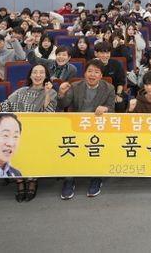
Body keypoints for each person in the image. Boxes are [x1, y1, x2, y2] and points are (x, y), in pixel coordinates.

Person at [0, 64, 57, 202]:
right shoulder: (20, 91)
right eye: (35, 72)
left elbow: (47, 113)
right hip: (17, 131)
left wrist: (47, 93)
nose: (38, 75)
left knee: (34, 144)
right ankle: (19, 181)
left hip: (38, 132)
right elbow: (5, 106)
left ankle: (32, 180)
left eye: (41, 72)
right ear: (30, 75)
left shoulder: (51, 92)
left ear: (46, 76)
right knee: (11, 143)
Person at [57, 59, 115, 199]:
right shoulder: (75, 86)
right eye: (89, 71)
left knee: (97, 148)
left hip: (97, 127)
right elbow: (63, 104)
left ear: (101, 75)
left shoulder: (109, 88)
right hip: (77, 126)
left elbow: (112, 109)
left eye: (96, 72)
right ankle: (69, 180)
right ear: (84, 73)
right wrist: (61, 94)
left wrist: (106, 109)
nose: (92, 75)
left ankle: (96, 178)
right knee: (69, 148)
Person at [95, 42, 127, 112]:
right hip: (96, 94)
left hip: (115, 92)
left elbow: (121, 82)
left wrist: (118, 95)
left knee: (119, 104)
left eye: (107, 53)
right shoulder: (92, 65)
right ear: (96, 53)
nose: (105, 55)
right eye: (102, 53)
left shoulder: (116, 64)